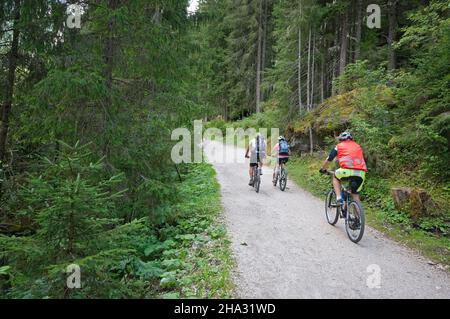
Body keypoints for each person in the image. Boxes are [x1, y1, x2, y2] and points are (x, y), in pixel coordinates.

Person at [320, 132, 367, 206]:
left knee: (335, 177)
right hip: (361, 173)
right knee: (355, 195)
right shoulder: (358, 146)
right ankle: (358, 217)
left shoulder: (339, 146)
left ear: (341, 140)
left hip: (346, 171)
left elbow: (329, 159)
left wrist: (322, 168)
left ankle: (339, 198)